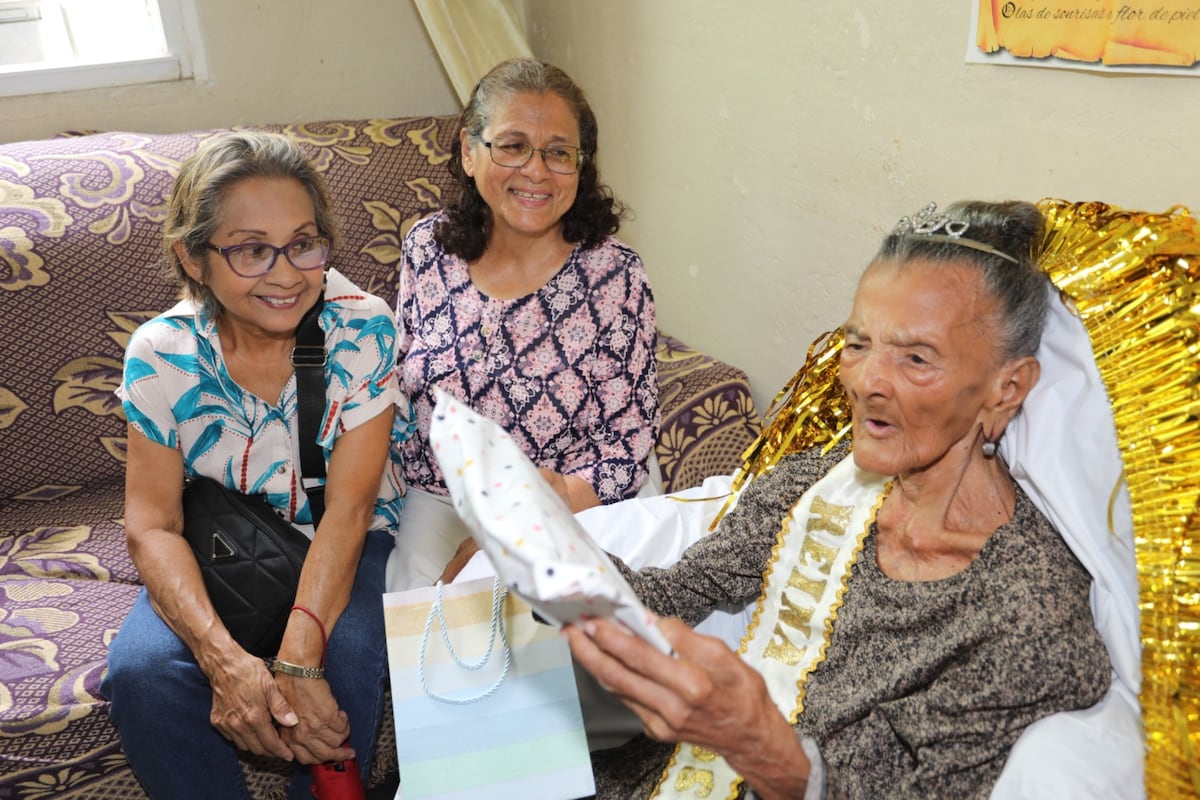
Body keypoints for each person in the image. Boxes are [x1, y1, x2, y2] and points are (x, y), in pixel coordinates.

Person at [564, 200, 1122, 799]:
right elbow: (673, 594)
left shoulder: (1029, 618)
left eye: (916, 358)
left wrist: (761, 746)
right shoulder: (819, 483)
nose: (865, 381)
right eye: (858, 345)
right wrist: (545, 540)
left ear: (1007, 388)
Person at [101, 131, 411, 799]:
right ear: (193, 257)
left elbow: (352, 509)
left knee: (347, 658)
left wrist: (298, 657)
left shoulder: (362, 328)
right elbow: (152, 525)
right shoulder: (160, 353)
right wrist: (224, 661)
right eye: (250, 249)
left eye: (303, 243)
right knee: (142, 675)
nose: (286, 273)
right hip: (226, 545)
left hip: (347, 537)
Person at [387, 57, 659, 591]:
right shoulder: (427, 249)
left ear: (581, 167)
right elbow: (402, 388)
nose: (536, 171)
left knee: (549, 626)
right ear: (469, 151)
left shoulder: (616, 276)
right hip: (444, 498)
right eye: (512, 145)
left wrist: (521, 523)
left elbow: (626, 445)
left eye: (558, 152)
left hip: (572, 500)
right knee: (419, 612)